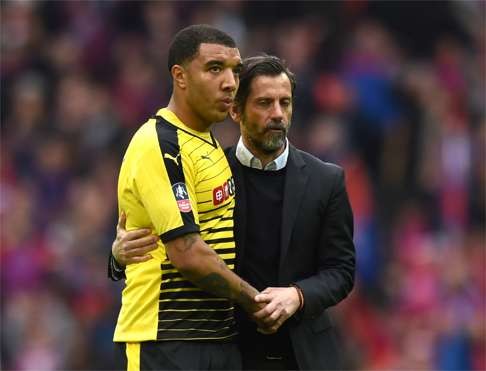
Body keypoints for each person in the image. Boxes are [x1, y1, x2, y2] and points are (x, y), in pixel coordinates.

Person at [111, 55, 356, 370]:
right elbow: (173, 244)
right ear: (235, 111)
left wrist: (297, 296)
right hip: (231, 352)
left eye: (285, 102)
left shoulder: (327, 180)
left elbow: (341, 270)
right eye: (265, 103)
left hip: (305, 356)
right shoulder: (208, 173)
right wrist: (118, 257)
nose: (278, 114)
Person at [110, 24, 270, 371]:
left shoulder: (208, 144)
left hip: (215, 337)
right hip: (167, 338)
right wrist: (254, 300)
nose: (230, 82)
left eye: (235, 71)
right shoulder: (159, 143)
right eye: (215, 68)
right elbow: (187, 255)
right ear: (180, 76)